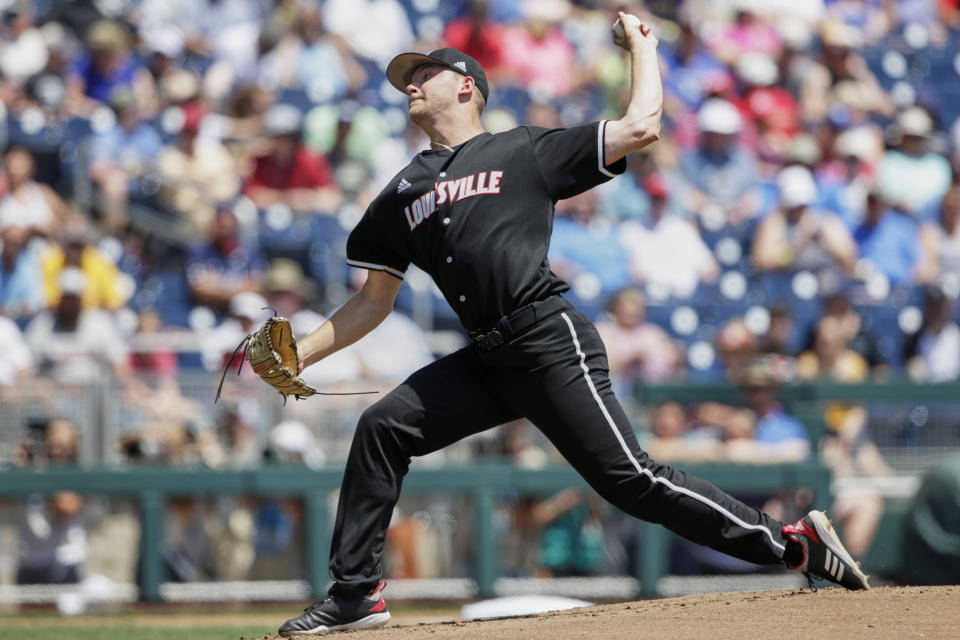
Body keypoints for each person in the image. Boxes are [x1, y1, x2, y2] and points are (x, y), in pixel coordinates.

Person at [276, 16, 868, 637]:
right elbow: (374, 300)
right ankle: (354, 595)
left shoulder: (521, 148)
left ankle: (795, 544)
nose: (411, 85)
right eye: (408, 78)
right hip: (486, 358)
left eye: (425, 73)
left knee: (632, 480)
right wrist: (301, 354)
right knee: (383, 426)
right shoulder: (402, 191)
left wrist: (643, 46)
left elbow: (642, 126)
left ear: (466, 87)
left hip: (546, 339)